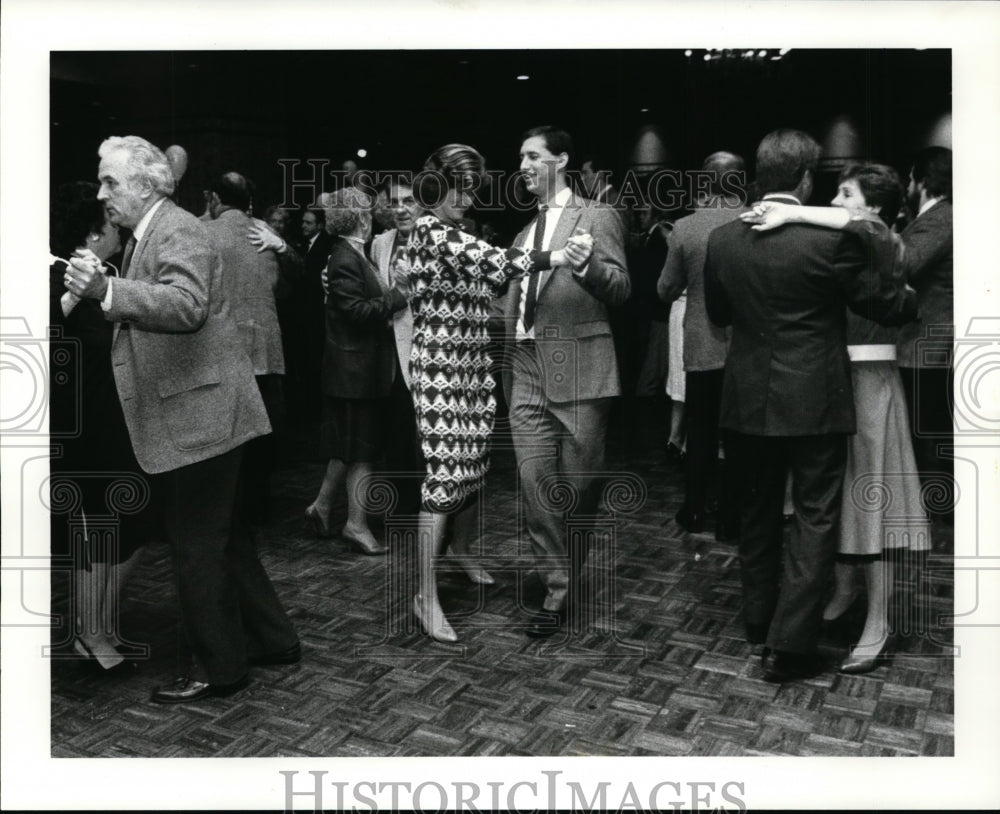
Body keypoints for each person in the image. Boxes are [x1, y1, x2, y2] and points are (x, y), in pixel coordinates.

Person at [66, 136, 299, 703]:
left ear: (145, 186)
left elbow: (187, 305)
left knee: (196, 545)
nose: (102, 193)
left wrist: (107, 289)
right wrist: (110, 285)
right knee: (224, 541)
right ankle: (274, 639)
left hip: (204, 416)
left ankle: (219, 669)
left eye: (110, 182)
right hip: (204, 410)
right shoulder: (155, 231)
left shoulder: (177, 229)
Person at [702, 129, 916, 682]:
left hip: (746, 398)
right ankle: (791, 645)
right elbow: (883, 304)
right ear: (804, 180)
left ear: (758, 175)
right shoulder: (828, 241)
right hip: (816, 400)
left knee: (757, 514)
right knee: (815, 520)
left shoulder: (722, 239)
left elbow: (720, 316)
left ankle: (757, 622)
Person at [404, 143, 593, 642]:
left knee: (473, 469)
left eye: (472, 191)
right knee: (444, 479)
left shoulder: (454, 229)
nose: (468, 200)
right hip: (441, 373)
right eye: (460, 190)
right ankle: (424, 596)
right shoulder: (428, 228)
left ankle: (462, 552)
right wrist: (558, 255)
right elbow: (497, 262)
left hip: (471, 370)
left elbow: (482, 287)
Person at [497, 126, 630, 638]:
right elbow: (511, 302)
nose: (524, 165)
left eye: (533, 155)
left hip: (580, 369)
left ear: (562, 160)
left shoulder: (596, 216)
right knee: (535, 488)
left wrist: (589, 267)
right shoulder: (522, 235)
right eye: (521, 157)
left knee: (578, 490)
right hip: (526, 371)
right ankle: (556, 590)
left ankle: (567, 570)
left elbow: (620, 288)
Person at [50, 181, 154, 670]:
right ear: (94, 234)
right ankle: (90, 634)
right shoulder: (53, 279)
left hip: (121, 427)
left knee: (127, 528)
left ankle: (101, 626)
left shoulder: (111, 276)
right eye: (114, 224)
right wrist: (68, 300)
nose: (122, 229)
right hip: (86, 434)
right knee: (97, 531)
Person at [305, 187, 409, 554]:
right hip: (355, 372)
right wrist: (400, 294)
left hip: (353, 370)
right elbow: (359, 313)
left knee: (348, 446)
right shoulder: (346, 257)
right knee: (363, 452)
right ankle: (356, 525)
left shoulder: (350, 253)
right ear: (362, 217)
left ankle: (322, 505)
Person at [657, 151, 747, 537]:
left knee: (702, 431)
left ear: (706, 183)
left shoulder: (686, 228)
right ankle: (732, 519)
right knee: (741, 438)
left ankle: (694, 511)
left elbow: (665, 290)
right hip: (748, 347)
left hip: (702, 343)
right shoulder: (758, 222)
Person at [204, 172, 286, 526]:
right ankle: (258, 510)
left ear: (214, 200)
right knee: (260, 440)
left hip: (224, 349)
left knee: (226, 439)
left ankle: (228, 513)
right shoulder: (265, 234)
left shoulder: (203, 233)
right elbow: (278, 286)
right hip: (264, 349)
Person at [897, 147, 954, 523]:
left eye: (910, 178)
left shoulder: (940, 218)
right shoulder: (937, 217)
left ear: (921, 179)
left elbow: (907, 262)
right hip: (931, 343)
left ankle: (937, 511)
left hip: (927, 346)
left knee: (929, 431)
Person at [370, 178, 422, 511]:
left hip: (430, 352)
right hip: (391, 354)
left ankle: (433, 517)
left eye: (408, 200)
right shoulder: (379, 243)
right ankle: (403, 513)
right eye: (393, 201)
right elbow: (375, 288)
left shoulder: (439, 240)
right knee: (397, 432)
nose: (400, 208)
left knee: (428, 441)